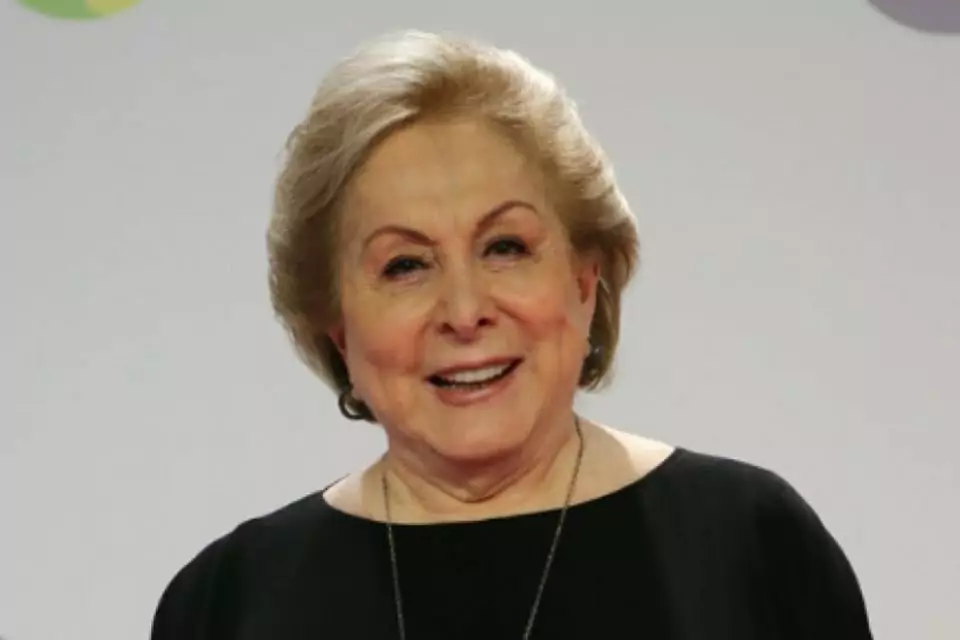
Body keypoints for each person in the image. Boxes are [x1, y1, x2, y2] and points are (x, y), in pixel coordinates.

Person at [150, 30, 874, 640]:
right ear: (336, 326)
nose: (464, 311)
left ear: (585, 279)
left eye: (505, 247)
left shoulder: (751, 548)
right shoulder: (229, 603)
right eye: (405, 265)